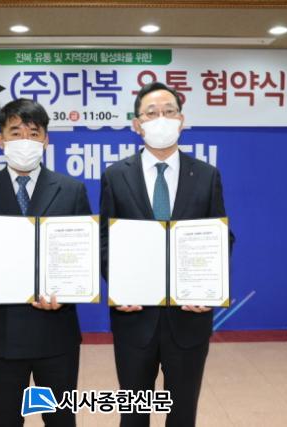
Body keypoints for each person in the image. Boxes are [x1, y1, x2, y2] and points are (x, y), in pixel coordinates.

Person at [100, 82, 234, 427]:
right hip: (133, 318)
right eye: (151, 113)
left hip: (189, 318)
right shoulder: (115, 175)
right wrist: (119, 285)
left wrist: (210, 288)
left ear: (181, 120)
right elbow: (105, 240)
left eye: (169, 111)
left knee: (182, 412)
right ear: (137, 124)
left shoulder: (206, 175)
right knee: (133, 413)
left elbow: (221, 237)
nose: (161, 119)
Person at [0, 98, 91, 427]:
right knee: (5, 421)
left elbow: (84, 255)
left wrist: (69, 292)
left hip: (55, 334)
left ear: (46, 140)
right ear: (1, 140)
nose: (25, 140)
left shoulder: (71, 190)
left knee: (60, 420)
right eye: (15, 132)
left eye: (34, 132)